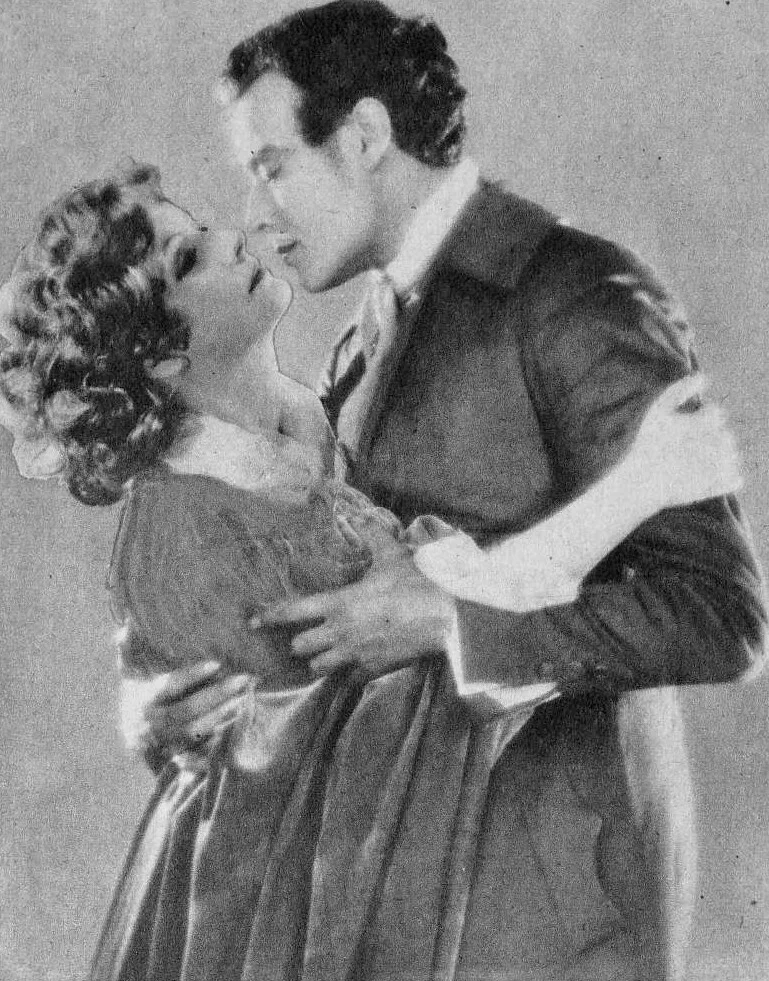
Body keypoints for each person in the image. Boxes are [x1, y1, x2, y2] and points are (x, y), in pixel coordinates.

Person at [0, 168, 750, 981]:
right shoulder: (216, 529)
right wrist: (639, 485)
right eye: (188, 259)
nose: (231, 238)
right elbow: (448, 623)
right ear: (164, 358)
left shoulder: (302, 424)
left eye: (199, 229)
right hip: (283, 911)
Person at [169, 2, 762, 978]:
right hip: (404, 895)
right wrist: (174, 705)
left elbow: (721, 616)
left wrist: (453, 623)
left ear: (364, 135)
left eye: (272, 168)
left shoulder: (572, 292)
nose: (257, 217)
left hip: (554, 917)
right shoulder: (364, 337)